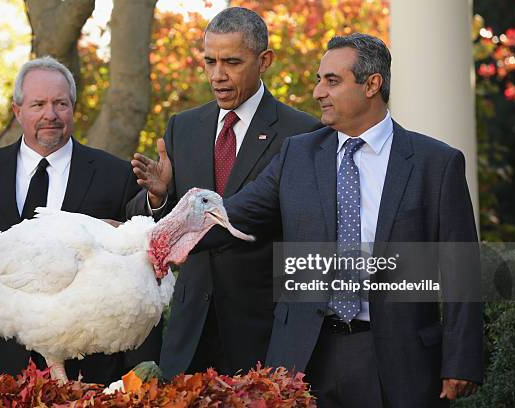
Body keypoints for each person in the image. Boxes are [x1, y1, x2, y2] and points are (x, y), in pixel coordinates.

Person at [153, 33, 483, 406]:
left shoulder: (434, 163)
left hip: (396, 357)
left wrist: (461, 360)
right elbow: (232, 216)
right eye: (318, 79)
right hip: (302, 356)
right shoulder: (298, 154)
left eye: (332, 81)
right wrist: (155, 232)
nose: (318, 92)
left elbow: (461, 270)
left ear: (372, 84)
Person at [0, 56, 160, 384]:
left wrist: (138, 377)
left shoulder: (116, 175)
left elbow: (142, 274)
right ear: (17, 110)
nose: (50, 115)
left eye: (60, 104)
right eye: (38, 104)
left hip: (89, 374)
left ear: (73, 108)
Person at [127, 7, 321, 378]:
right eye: (209, 61)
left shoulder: (302, 134)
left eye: (232, 62)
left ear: (264, 60)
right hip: (189, 332)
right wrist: (159, 197)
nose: (217, 75)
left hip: (262, 330)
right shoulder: (182, 128)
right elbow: (145, 219)